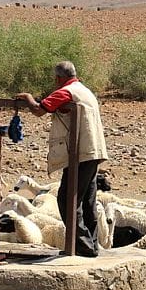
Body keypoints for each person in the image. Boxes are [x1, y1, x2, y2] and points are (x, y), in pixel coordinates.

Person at [16, 61, 108, 257]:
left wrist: (28, 98)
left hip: (80, 153)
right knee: (87, 201)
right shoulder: (83, 89)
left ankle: (81, 245)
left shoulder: (66, 91)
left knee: (67, 200)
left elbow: (39, 110)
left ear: (58, 78)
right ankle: (91, 245)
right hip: (92, 151)